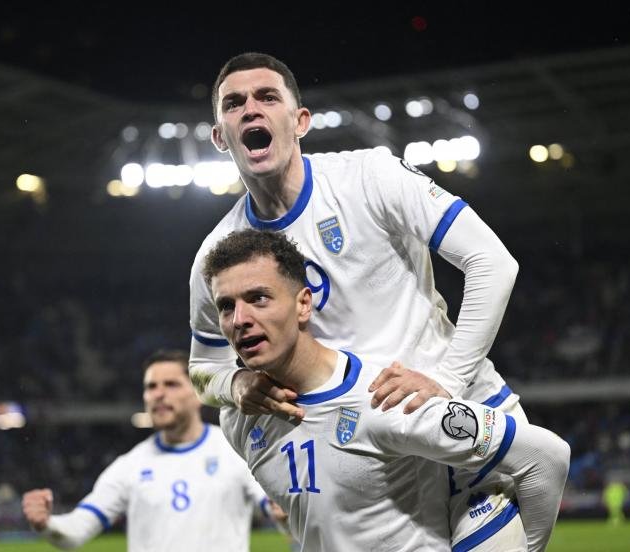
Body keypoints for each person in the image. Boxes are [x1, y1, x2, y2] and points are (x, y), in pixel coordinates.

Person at [189, 51, 528, 542]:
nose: (251, 109)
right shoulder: (217, 256)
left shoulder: (370, 177)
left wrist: (448, 381)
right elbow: (203, 369)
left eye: (267, 97)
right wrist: (235, 384)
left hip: (461, 422)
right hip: (375, 468)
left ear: (300, 121)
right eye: (234, 103)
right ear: (221, 136)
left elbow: (492, 262)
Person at [203, 229, 570, 551]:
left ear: (303, 304)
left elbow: (546, 456)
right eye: (226, 306)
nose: (240, 320)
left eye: (259, 298)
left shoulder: (387, 399)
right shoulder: (239, 419)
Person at [22, 349, 286, 551]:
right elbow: (76, 531)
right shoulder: (130, 465)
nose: (158, 394)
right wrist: (46, 523)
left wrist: (283, 514)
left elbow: (278, 511)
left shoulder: (234, 451)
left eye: (171, 384)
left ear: (198, 394)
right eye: (151, 387)